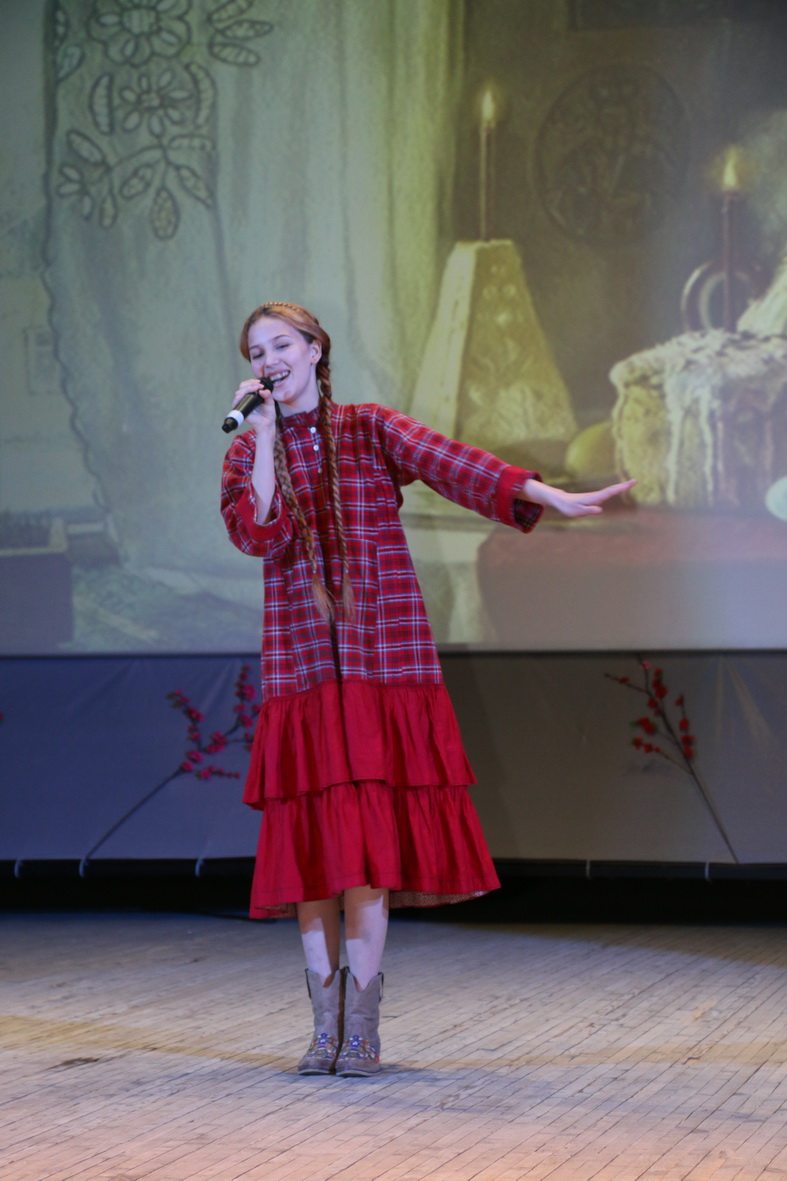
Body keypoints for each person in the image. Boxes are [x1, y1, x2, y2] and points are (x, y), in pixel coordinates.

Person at [220, 301, 634, 1078]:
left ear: (314, 350)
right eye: (256, 351)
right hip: (302, 666)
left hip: (381, 659)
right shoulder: (247, 449)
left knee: (365, 856)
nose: (269, 360)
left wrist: (543, 495)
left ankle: (362, 1029)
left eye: (281, 345)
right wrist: (265, 435)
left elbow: (452, 463)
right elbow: (260, 531)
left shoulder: (367, 427)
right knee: (313, 857)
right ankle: (321, 1027)